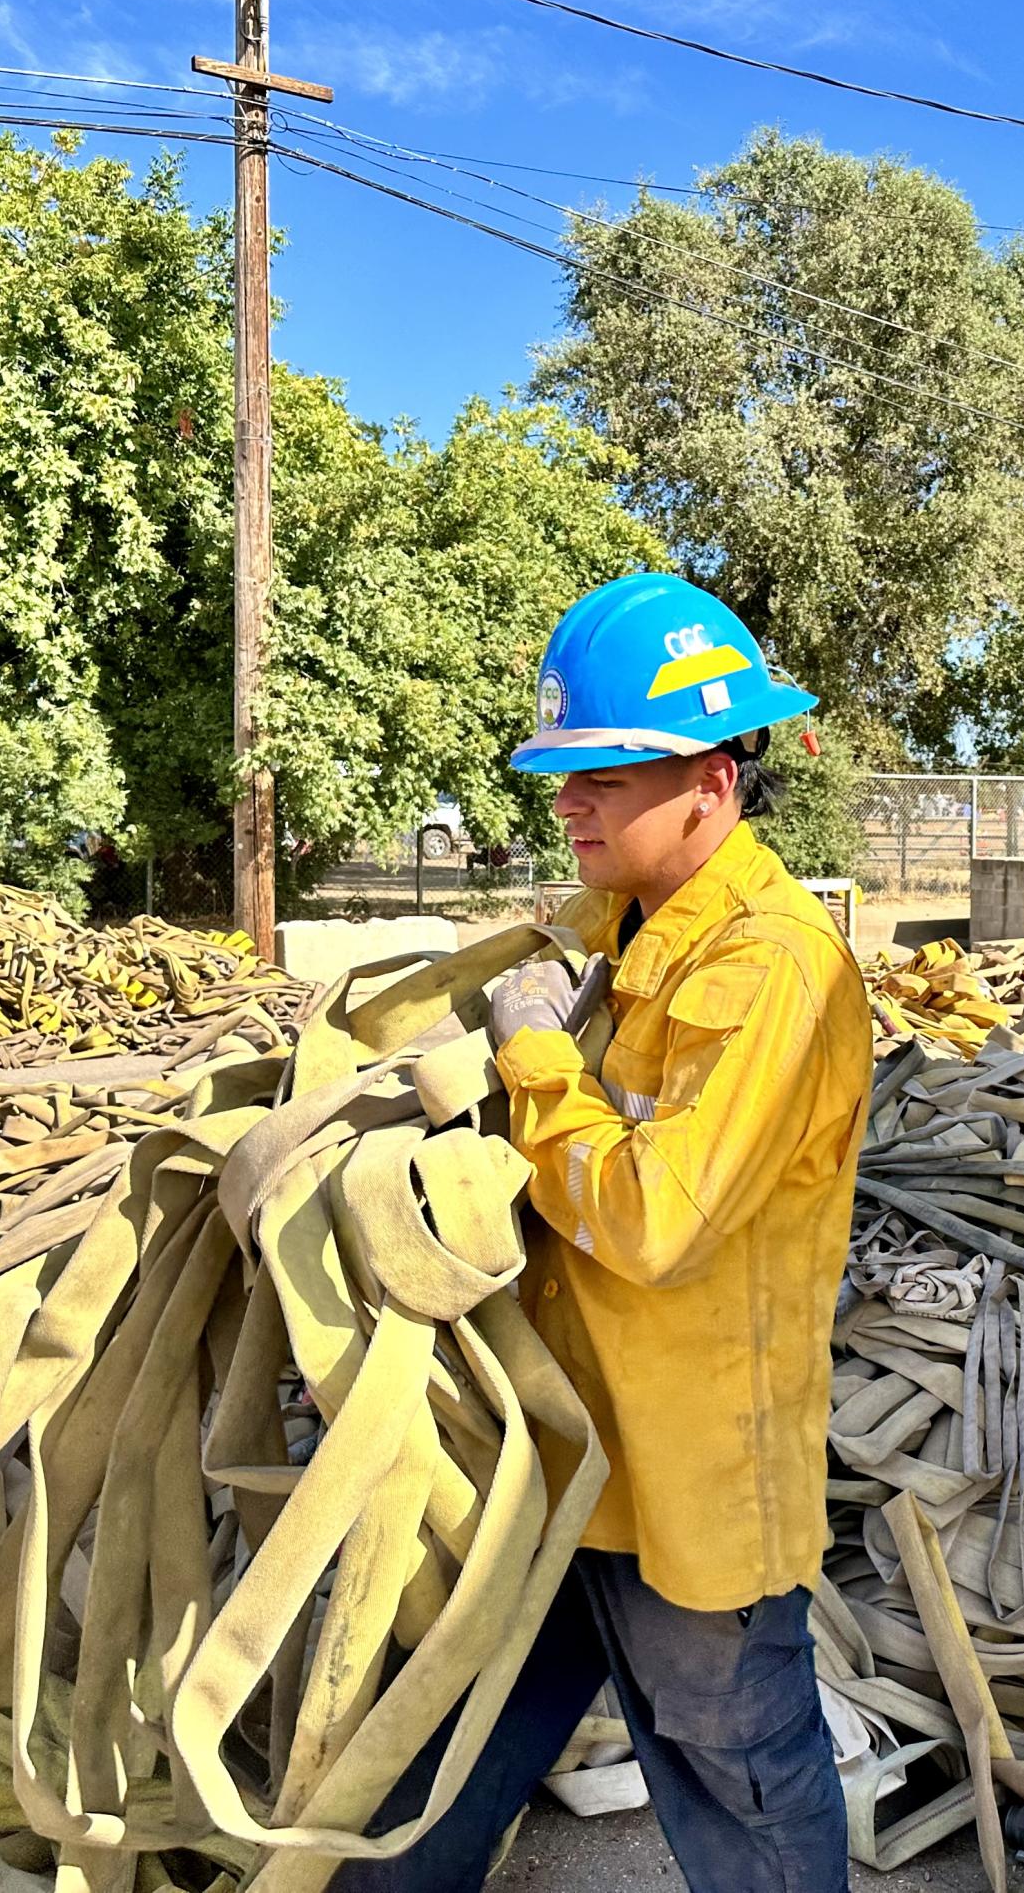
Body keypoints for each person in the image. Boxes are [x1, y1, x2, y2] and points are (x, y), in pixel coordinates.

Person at [351, 572, 872, 1893]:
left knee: (735, 1768)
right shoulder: (624, 919)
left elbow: (649, 1220)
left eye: (606, 775)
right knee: (451, 1733)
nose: (568, 800)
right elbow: (543, 952)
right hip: (567, 1440)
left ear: (712, 778)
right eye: (565, 773)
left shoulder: (774, 969)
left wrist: (532, 1055)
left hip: (692, 1476)